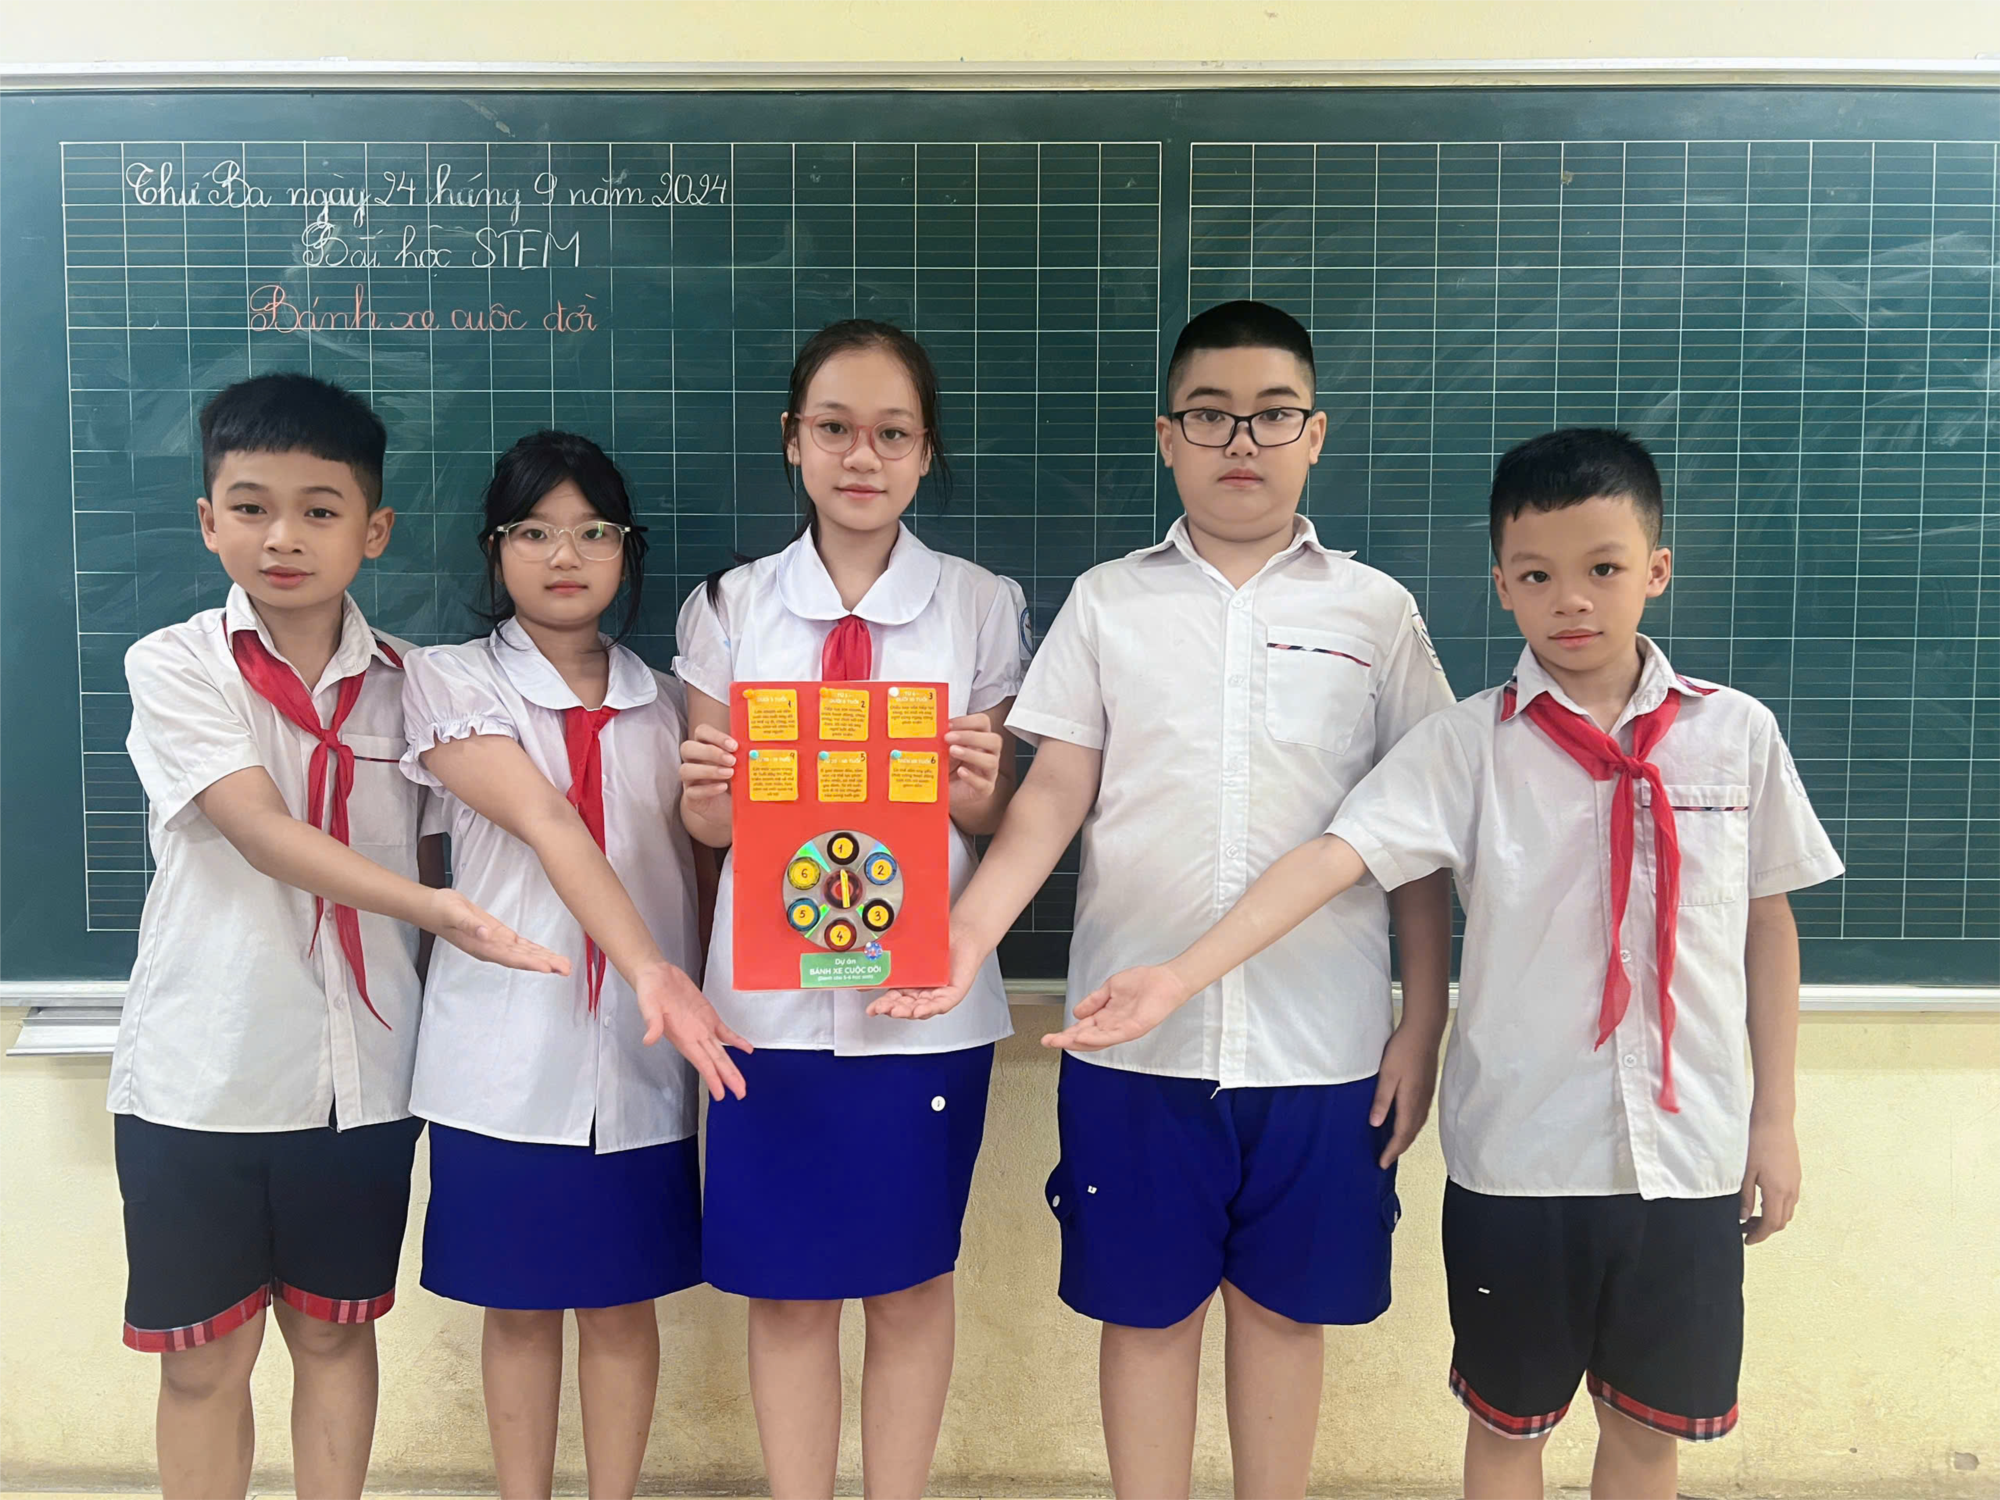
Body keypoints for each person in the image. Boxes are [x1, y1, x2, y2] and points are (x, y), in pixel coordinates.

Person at [1058, 428, 1845, 1500]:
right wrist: (1178, 975)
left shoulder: (1735, 735)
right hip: (1520, 1159)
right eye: (1536, 575)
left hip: (1690, 1154)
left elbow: (1766, 926)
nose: (1571, 599)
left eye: (1603, 567)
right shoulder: (1466, 747)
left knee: (1646, 1427)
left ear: (1656, 570)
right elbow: (1332, 858)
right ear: (1500, 586)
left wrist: (1775, 1119)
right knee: (1509, 1426)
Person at [873, 301, 1456, 1500]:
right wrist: (962, 934)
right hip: (1131, 1048)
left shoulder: (1374, 613)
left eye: (1271, 415)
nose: (1240, 440)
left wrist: (1421, 1020)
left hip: (1323, 1044)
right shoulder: (1107, 603)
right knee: (1144, 1318)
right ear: (1165, 436)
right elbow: (1052, 795)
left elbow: (1413, 837)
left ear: (1314, 434)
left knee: (1285, 1315)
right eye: (1208, 415)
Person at [111, 373, 564, 1500]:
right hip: (204, 1075)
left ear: (374, 530)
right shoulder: (174, 665)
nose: (283, 537)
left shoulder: (419, 687)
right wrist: (436, 913)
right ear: (207, 520)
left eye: (319, 509)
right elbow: (261, 830)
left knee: (332, 1334)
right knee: (204, 1360)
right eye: (250, 506)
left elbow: (466, 843)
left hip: (364, 1077)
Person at [673, 319, 1026, 1500]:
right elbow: (709, 830)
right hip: (766, 1010)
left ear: (925, 453)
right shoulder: (728, 606)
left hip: (921, 1004)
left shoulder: (978, 604)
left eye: (890, 433)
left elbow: (995, 818)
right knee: (787, 1293)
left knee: (911, 1283)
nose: (859, 457)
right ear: (793, 440)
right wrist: (709, 802)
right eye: (833, 428)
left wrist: (978, 788)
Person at [400, 430, 743, 1500]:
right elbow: (547, 819)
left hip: (644, 1056)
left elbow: (708, 866)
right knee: (517, 1310)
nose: (564, 556)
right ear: (493, 548)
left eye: (594, 532)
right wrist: (653, 970)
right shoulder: (447, 680)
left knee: (622, 1304)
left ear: (627, 550)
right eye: (534, 532)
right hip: (503, 1058)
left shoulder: (670, 703)